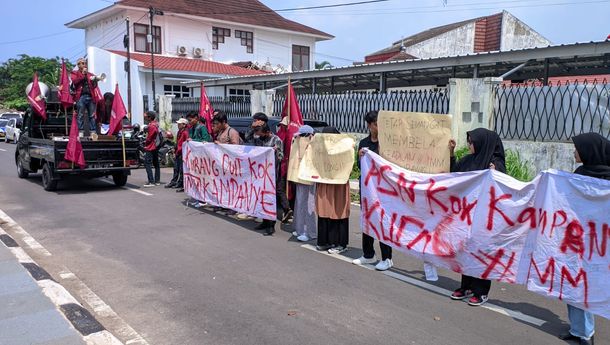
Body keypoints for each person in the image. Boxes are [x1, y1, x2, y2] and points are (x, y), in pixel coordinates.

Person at [558, 132, 610, 345]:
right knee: (574, 284)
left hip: (600, 245)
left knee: (594, 287)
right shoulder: (579, 173)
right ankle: (579, 330)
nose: (574, 151)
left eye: (577, 148)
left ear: (589, 150)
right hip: (577, 240)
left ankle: (585, 333)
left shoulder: (607, 178)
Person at [448, 128, 506, 306]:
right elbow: (454, 175)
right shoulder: (468, 160)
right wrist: (451, 154)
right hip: (467, 216)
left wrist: (494, 172)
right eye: (469, 141)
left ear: (482, 143)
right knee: (466, 251)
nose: (469, 145)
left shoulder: (495, 163)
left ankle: (481, 291)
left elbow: (502, 185)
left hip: (485, 219)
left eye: (471, 142)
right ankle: (466, 286)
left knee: (481, 254)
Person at [352, 111, 393, 270]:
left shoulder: (387, 143)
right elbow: (360, 166)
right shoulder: (364, 143)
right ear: (369, 125)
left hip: (384, 191)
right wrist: (360, 156)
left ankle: (387, 257)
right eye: (375, 124)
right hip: (368, 191)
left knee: (383, 222)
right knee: (367, 220)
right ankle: (368, 254)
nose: (378, 127)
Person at [315, 126, 351, 254]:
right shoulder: (319, 149)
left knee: (338, 212)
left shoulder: (344, 149)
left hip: (338, 185)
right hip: (324, 183)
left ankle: (340, 243)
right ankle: (324, 241)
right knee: (324, 211)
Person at [251, 124, 284, 236]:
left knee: (270, 199)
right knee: (261, 198)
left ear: (267, 132)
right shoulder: (259, 139)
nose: (259, 136)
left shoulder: (276, 140)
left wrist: (273, 152)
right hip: (260, 174)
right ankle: (264, 222)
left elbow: (280, 157)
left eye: (261, 134)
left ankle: (271, 225)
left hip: (271, 175)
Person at [291, 125, 317, 242]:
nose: (299, 138)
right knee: (300, 202)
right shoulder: (298, 143)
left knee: (308, 204)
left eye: (301, 136)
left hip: (309, 179)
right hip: (300, 177)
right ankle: (300, 228)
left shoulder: (314, 145)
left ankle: (309, 232)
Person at [70, 58, 98, 134]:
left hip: (90, 96)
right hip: (81, 97)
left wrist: (95, 81)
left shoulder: (90, 74)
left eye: (84, 63)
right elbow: (75, 82)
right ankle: (81, 131)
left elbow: (94, 86)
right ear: (78, 65)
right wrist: (82, 74)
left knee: (92, 115)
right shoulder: (74, 73)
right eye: (81, 63)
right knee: (80, 115)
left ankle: (93, 132)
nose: (83, 64)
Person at [165, 118, 189, 192]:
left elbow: (185, 144)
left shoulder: (185, 132)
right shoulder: (179, 132)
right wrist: (175, 151)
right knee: (176, 168)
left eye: (180, 124)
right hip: (178, 152)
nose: (178, 125)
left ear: (184, 125)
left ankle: (180, 183)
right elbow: (177, 142)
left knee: (181, 169)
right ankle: (174, 181)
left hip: (182, 153)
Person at [143, 111, 161, 187]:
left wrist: (146, 142)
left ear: (149, 117)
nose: (145, 117)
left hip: (151, 147)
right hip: (155, 146)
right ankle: (157, 181)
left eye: (146, 116)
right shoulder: (155, 124)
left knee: (147, 164)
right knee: (156, 164)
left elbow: (149, 137)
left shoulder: (152, 126)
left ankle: (151, 181)